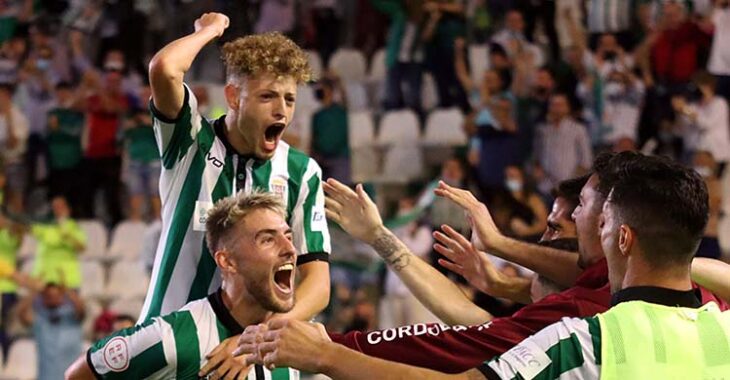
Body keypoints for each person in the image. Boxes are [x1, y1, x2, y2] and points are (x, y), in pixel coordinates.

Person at [237, 153, 730, 379]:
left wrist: (331, 350)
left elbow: (462, 343)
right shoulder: (719, 322)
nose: (564, 225)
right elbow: (476, 324)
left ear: (619, 234)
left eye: (577, 213)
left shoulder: (585, 333)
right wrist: (383, 240)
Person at [139, 13, 330, 327]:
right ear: (233, 97)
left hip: (254, 353)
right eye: (267, 96)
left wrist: (261, 334)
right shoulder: (190, 142)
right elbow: (165, 69)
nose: (281, 109)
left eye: (290, 98)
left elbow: (318, 285)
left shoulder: (302, 171)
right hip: (170, 342)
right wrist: (209, 31)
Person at [65, 191, 300, 379]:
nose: (290, 249)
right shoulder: (175, 339)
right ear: (227, 261)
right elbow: (79, 375)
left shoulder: (292, 342)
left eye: (288, 237)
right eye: (267, 239)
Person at [18, 282, 85, 380]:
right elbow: (22, 314)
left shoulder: (72, 317)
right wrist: (34, 292)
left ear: (62, 296)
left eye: (56, 295)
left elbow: (81, 309)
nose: (53, 298)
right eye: (49, 296)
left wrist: (67, 290)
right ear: (43, 298)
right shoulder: (40, 319)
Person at [31, 196, 86, 289]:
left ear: (68, 209)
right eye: (55, 207)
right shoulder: (45, 226)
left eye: (61, 207)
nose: (58, 210)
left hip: (67, 280)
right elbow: (26, 228)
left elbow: (81, 248)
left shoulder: (74, 226)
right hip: (44, 279)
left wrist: (66, 233)